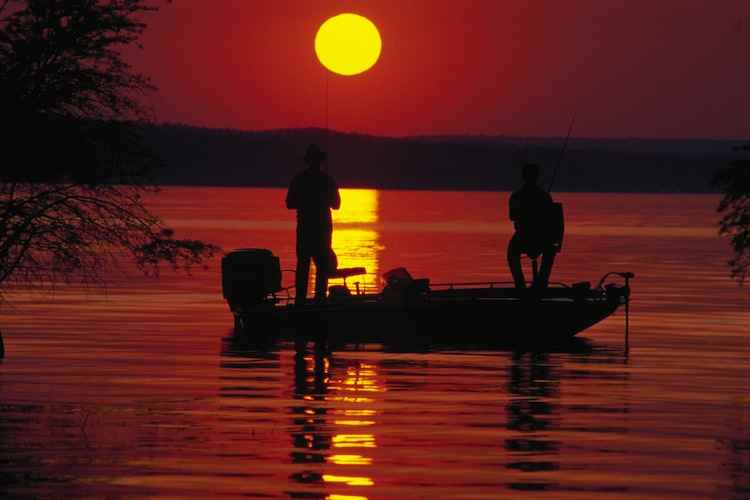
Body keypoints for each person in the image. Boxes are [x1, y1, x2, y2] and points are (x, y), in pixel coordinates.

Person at [286, 144, 341, 306]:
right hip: (320, 229)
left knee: (304, 265)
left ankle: (301, 301)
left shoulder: (299, 179)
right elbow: (337, 205)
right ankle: (319, 299)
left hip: (306, 229)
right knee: (321, 265)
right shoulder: (327, 180)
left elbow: (289, 203)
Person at [507, 163, 557, 289]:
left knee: (512, 253)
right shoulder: (544, 196)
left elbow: (513, 216)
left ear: (523, 176)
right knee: (550, 250)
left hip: (525, 236)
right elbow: (551, 220)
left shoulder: (516, 196)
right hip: (537, 236)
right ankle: (541, 281)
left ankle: (521, 284)